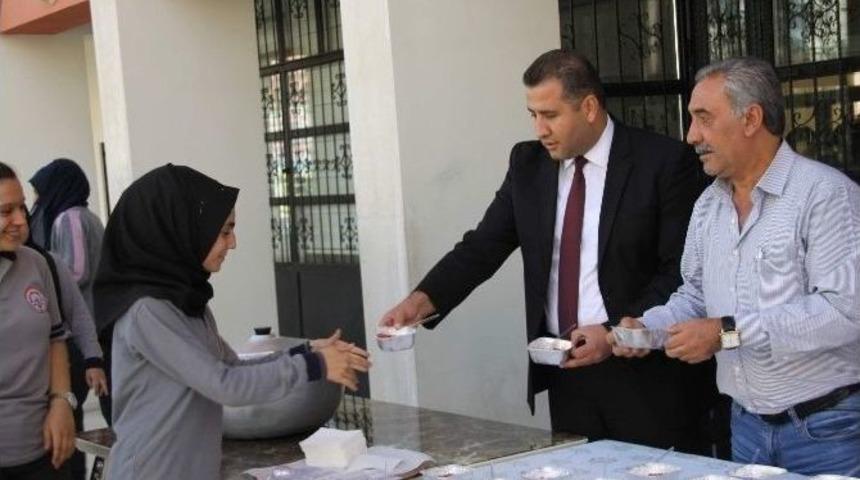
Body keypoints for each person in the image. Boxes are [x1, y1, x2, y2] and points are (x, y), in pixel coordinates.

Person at [379, 49, 716, 452]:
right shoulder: (528, 165)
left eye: (550, 115)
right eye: (533, 115)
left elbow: (679, 273)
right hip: (566, 371)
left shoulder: (663, 162)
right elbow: (483, 246)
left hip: (648, 377)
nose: (540, 129)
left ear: (588, 107)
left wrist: (614, 332)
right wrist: (420, 302)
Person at [610, 57, 860, 475]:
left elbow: (845, 312)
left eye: (704, 118)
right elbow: (695, 296)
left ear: (751, 119)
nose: (691, 135)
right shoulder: (709, 204)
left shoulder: (825, 195)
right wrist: (648, 329)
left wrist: (727, 332)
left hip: (827, 429)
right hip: (745, 427)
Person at [92, 164, 371, 479]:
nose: (233, 243)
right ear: (180, 229)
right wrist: (315, 365)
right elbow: (224, 385)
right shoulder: (147, 312)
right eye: (224, 232)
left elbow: (233, 366)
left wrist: (306, 351)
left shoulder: (187, 304)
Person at [28, 158, 107, 480]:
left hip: (76, 333)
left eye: (38, 193)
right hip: (94, 325)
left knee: (66, 420)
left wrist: (42, 278)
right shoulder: (89, 217)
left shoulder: (69, 218)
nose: (36, 203)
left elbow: (76, 270)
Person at [0, 161, 75, 479]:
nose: (20, 220)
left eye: (22, 207)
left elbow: (55, 338)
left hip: (43, 451)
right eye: (6, 211)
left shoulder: (36, 264)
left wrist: (62, 402)